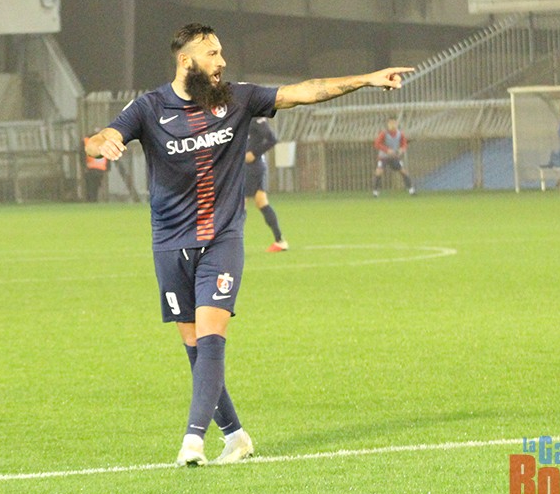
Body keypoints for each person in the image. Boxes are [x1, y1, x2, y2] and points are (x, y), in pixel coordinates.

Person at [84, 23, 411, 467]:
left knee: (211, 337)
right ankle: (235, 436)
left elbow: (306, 91)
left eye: (222, 53)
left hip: (222, 239)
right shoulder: (149, 107)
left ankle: (193, 440)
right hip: (169, 243)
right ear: (186, 61)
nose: (221, 62)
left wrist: (367, 79)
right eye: (212, 54)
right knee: (195, 347)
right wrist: (103, 143)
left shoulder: (238, 98)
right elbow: (100, 139)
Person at [245, 116, 288, 252]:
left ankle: (233, 246)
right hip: (250, 167)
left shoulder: (255, 117)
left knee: (239, 205)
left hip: (252, 167)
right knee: (261, 202)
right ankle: (279, 241)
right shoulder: (242, 116)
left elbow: (272, 139)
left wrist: (254, 153)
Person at [372, 118, 415, 197]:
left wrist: (402, 149)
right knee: (378, 171)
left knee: (403, 171)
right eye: (390, 123)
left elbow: (404, 144)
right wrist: (387, 150)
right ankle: (375, 191)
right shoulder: (383, 133)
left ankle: (411, 190)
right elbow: (377, 144)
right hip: (383, 157)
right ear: (388, 125)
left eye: (394, 123)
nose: (392, 125)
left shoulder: (400, 134)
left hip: (394, 157)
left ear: (397, 124)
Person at [82, 137, 108, 202]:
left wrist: (84, 166)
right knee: (96, 186)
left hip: (90, 168)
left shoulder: (86, 141)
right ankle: (94, 199)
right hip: (100, 168)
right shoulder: (104, 142)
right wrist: (108, 167)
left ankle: (91, 199)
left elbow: (82, 155)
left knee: (90, 186)